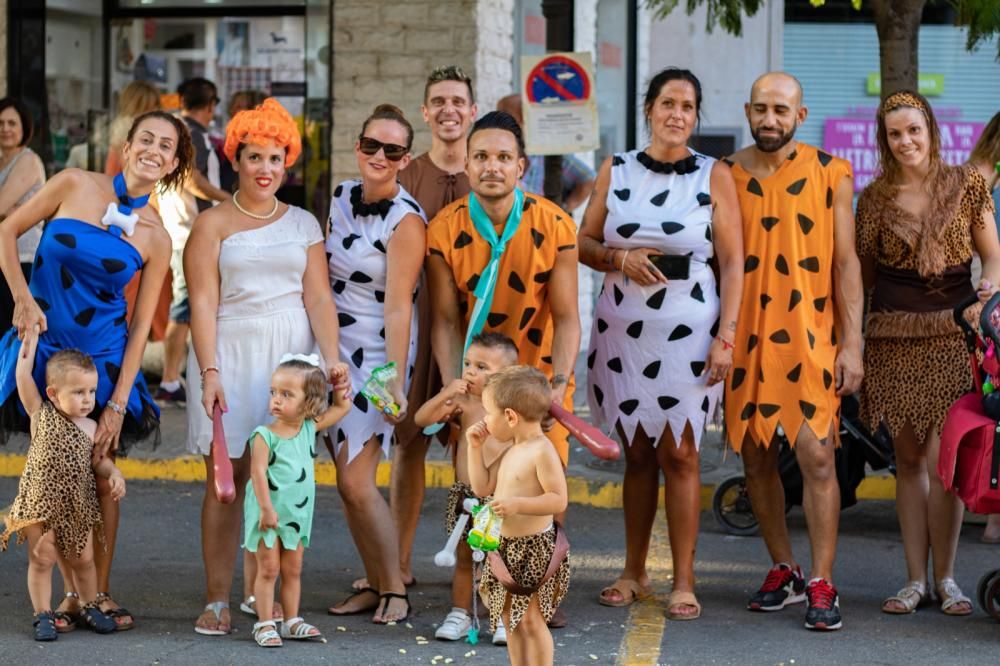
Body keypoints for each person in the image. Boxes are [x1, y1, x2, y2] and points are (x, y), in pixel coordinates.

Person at [0, 109, 194, 631]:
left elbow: (138, 331)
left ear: (174, 163)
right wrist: (21, 300)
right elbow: (7, 232)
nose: (154, 150)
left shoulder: (156, 236)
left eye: (166, 146)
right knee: (50, 470)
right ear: (127, 147)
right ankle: (59, 594)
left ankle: (94, 593)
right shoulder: (72, 183)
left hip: (103, 364)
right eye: (145, 140)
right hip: (43, 349)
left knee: (102, 480)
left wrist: (115, 402)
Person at [578, 68, 743, 618]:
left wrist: (728, 336)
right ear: (649, 108)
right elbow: (582, 242)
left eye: (688, 106)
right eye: (667, 103)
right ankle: (633, 571)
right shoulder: (616, 168)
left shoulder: (713, 174)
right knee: (638, 452)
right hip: (622, 327)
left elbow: (734, 262)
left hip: (688, 329)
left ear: (696, 116)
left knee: (681, 450)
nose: (677, 114)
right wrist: (618, 258)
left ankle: (684, 580)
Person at [185, 97, 342, 636]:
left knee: (279, 476)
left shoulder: (302, 223)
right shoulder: (211, 224)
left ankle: (263, 593)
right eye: (255, 157)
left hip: (290, 358)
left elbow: (318, 298)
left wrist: (332, 358)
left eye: (276, 158)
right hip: (229, 349)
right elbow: (202, 302)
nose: (266, 169)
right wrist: (209, 371)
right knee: (225, 481)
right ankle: (216, 598)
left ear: (288, 162)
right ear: (236, 159)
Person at [724, 72, 863, 632]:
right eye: (760, 108)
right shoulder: (726, 174)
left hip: (810, 337)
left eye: (781, 110)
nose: (770, 119)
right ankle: (784, 567)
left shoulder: (832, 173)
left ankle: (823, 579)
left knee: (819, 458)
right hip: (745, 338)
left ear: (800, 116)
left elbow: (846, 262)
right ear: (748, 110)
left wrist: (851, 344)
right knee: (755, 458)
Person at [856, 91, 1000, 616]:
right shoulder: (871, 200)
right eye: (895, 134)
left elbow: (993, 259)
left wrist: (989, 298)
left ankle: (948, 579)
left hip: (954, 338)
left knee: (947, 463)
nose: (905, 141)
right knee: (909, 461)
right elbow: (865, 278)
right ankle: (914, 581)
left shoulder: (967, 185)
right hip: (893, 340)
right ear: (884, 140)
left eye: (913, 130)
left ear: (931, 130)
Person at [426, 111, 581, 472]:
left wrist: (556, 385)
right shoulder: (443, 231)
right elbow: (446, 322)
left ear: (520, 167)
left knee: (545, 502)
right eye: (481, 157)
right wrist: (455, 386)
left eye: (503, 158)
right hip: (478, 380)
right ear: (466, 164)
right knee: (477, 504)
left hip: (539, 376)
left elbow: (568, 318)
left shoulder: (557, 226)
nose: (491, 167)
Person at [324, 104, 425, 624]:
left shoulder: (407, 220)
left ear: (405, 159)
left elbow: (399, 305)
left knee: (357, 481)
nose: (379, 156)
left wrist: (394, 383)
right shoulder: (341, 196)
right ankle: (373, 582)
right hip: (332, 354)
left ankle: (394, 588)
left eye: (392, 150)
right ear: (358, 145)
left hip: (377, 357)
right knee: (346, 480)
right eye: (371, 145)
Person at [381, 65, 477, 595]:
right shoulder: (405, 176)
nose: (448, 110)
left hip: (475, 329)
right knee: (408, 443)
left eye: (458, 101)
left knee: (475, 448)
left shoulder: (487, 169)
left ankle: (471, 559)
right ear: (425, 112)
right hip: (416, 326)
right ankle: (397, 560)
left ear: (470, 109)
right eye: (438, 101)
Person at [1, 334, 125, 640]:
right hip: (40, 501)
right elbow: (21, 375)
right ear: (53, 393)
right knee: (42, 558)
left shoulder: (92, 427)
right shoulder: (39, 413)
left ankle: (89, 603)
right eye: (79, 392)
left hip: (77, 504)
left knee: (83, 559)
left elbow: (99, 462)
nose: (88, 399)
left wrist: (114, 473)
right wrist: (28, 338)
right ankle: (42, 613)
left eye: (92, 391)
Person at [413, 332, 519, 642]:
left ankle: (502, 618)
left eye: (482, 366)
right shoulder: (463, 402)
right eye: (468, 363)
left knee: (502, 560)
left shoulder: (513, 406)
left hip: (503, 498)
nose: (471, 371)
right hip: (467, 496)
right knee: (463, 557)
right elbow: (422, 419)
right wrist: (445, 394)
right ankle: (460, 613)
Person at [245, 355, 352, 647]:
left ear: (309, 402)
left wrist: (340, 382)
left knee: (293, 569)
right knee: (268, 569)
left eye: (287, 394)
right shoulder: (264, 436)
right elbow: (257, 473)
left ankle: (291, 621)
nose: (276, 400)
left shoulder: (307, 428)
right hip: (267, 512)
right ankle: (265, 623)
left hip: (297, 514)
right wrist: (266, 509)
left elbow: (342, 406)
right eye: (274, 393)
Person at [470, 366, 570, 666]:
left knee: (531, 621)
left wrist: (517, 505)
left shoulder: (542, 451)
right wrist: (474, 449)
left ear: (511, 417)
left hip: (534, 550)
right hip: (505, 549)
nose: (485, 420)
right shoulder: (511, 448)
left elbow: (558, 498)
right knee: (510, 619)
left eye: (489, 413)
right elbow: (481, 486)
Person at [156, 77, 231, 407]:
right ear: (211, 105)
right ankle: (170, 381)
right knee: (186, 306)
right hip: (193, 233)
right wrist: (229, 199)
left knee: (187, 304)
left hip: (179, 230)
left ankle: (175, 377)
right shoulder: (192, 135)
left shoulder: (171, 130)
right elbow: (191, 177)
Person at [967, 112, 1000, 544]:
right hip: (991, 307)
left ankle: (994, 518)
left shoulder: (978, 175)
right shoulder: (980, 178)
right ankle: (995, 518)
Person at [496, 94, 596, 211]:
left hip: (539, 225)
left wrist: (563, 210)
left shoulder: (544, 151)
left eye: (509, 116)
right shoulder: (492, 153)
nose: (501, 123)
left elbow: (588, 179)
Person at [0, 97, 46, 332]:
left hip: (22, 260)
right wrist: (10, 212)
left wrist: (7, 213)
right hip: (4, 259)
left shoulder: (27, 160)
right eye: (0, 123)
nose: (5, 129)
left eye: (12, 123)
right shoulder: (1, 161)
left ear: (24, 127)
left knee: (12, 332)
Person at [104, 80, 161, 175]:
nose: (154, 111)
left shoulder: (162, 133)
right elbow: (111, 176)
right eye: (147, 108)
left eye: (156, 106)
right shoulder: (123, 135)